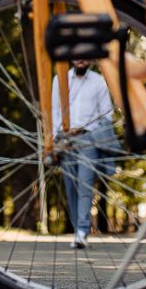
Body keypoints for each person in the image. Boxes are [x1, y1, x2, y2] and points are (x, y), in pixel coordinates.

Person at [50, 59, 118, 249]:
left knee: (85, 184)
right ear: (72, 58)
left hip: (89, 139)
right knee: (70, 186)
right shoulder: (59, 79)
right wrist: (55, 139)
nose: (81, 59)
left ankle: (82, 231)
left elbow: (107, 114)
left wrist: (93, 131)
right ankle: (77, 229)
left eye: (85, 56)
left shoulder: (99, 81)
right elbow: (54, 109)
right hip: (65, 139)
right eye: (77, 55)